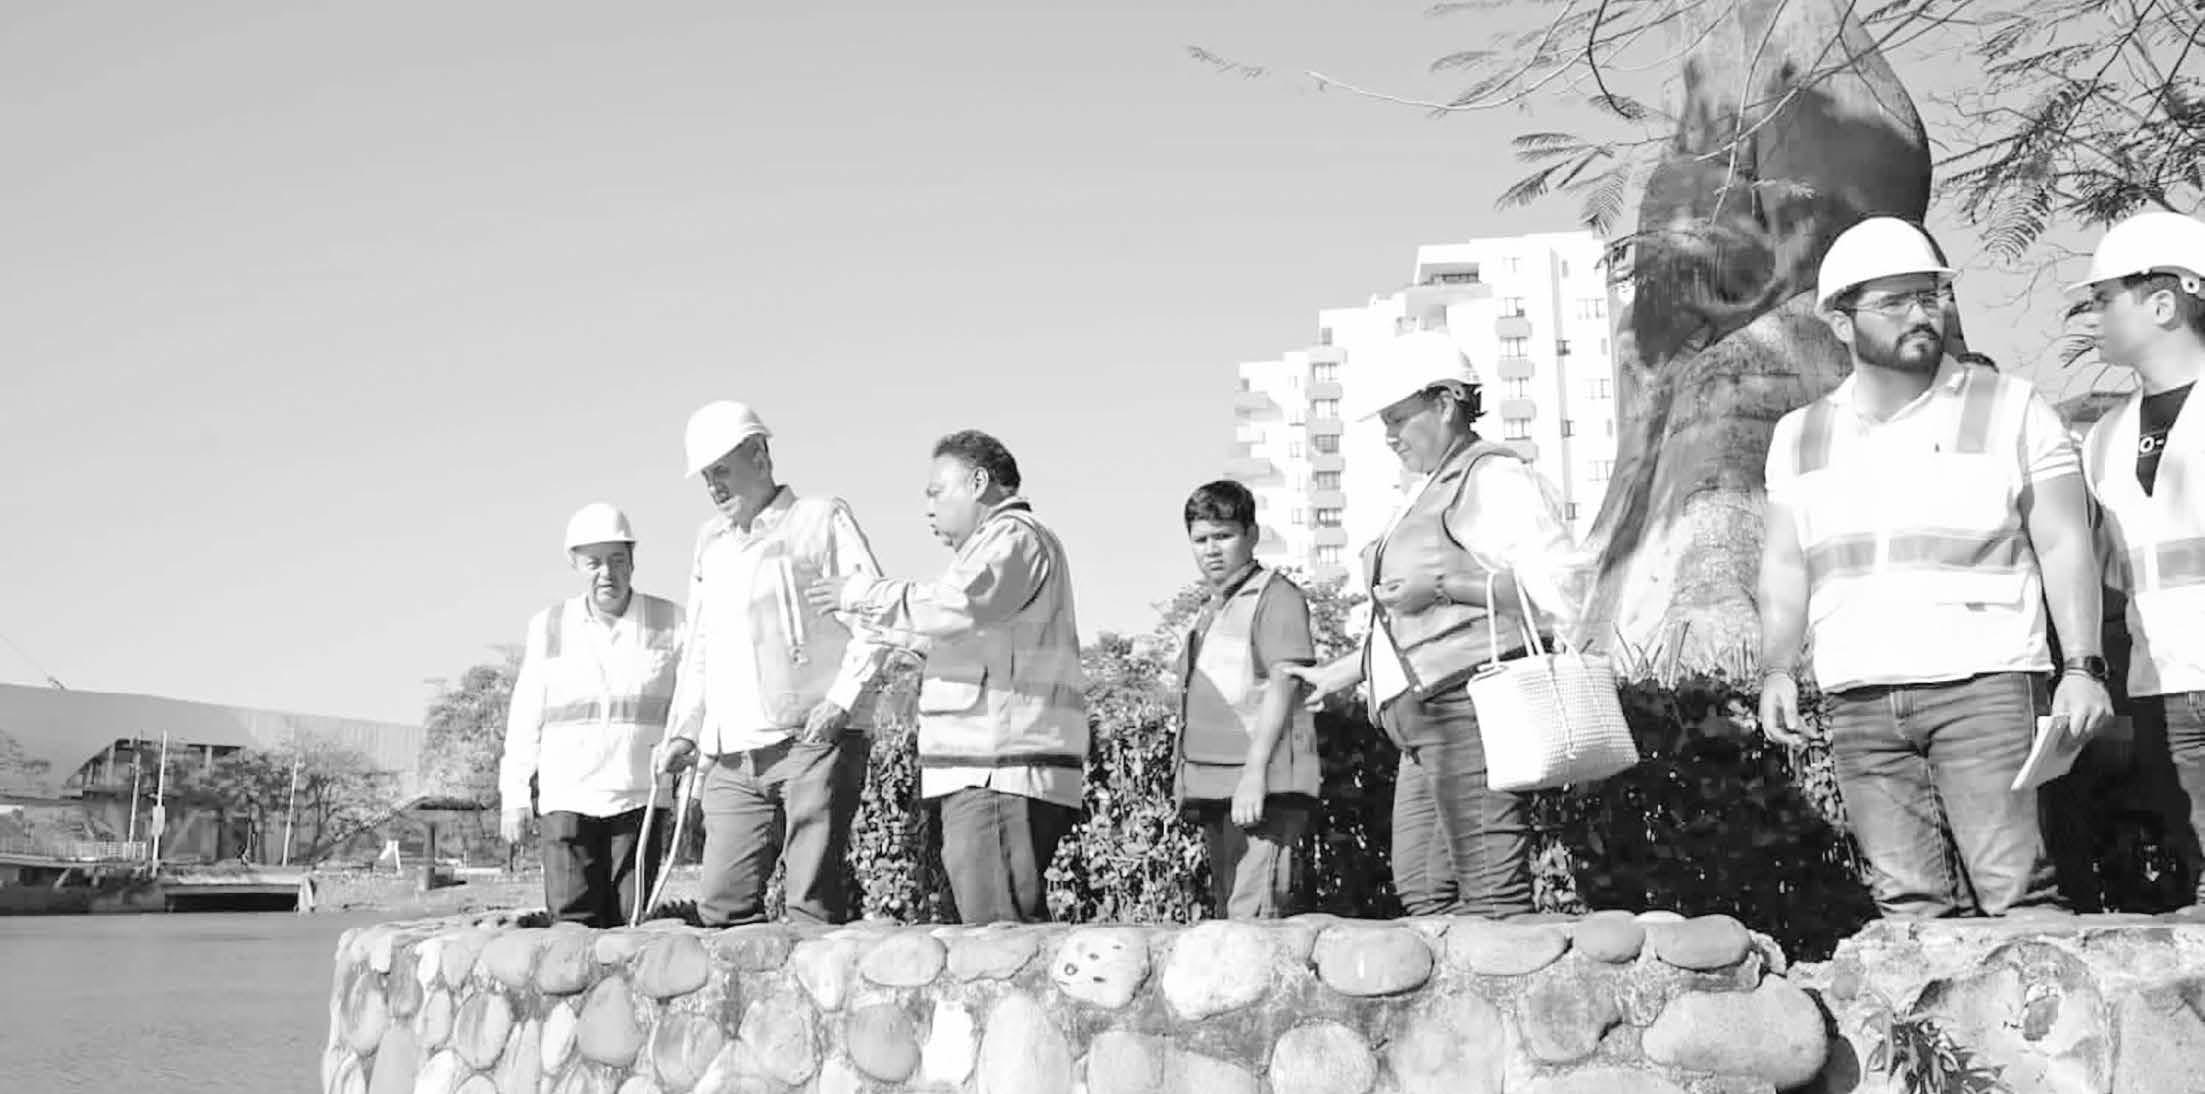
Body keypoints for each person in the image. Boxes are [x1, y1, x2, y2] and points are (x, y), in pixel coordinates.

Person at [1757, 216, 2115, 918]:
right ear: (1840, 322)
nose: (1920, 314)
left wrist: (2082, 666)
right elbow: (1785, 566)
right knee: (1907, 907)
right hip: (1858, 698)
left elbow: (2065, 544)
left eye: (1929, 296)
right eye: (1894, 302)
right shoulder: (1798, 435)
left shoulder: (2010, 406)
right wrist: (1777, 668)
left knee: (2016, 893)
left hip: (1985, 686)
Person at [1283, 329, 1581, 917]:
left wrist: (1444, 586)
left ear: (1445, 402)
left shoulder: (1491, 478)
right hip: (1424, 719)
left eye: (1398, 418)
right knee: (1424, 889)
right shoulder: (1427, 490)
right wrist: (1341, 673)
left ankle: (1504, 976)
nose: (1390, 436)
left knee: (1491, 895)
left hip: (1468, 710)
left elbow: (1559, 590)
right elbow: (1411, 622)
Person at [806, 429, 1087, 925]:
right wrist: (876, 623)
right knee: (991, 934)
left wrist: (862, 594)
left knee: (999, 941)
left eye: (936, 492)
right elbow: (948, 628)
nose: (928, 509)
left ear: (978, 483)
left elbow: (956, 605)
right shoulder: (996, 549)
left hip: (1000, 772)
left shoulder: (1014, 538)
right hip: (989, 772)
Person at [654, 401, 899, 927]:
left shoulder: (819, 520)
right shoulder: (710, 543)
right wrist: (684, 731)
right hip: (732, 754)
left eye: (722, 470)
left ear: (761, 457)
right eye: (706, 476)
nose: (713, 486)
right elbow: (700, 647)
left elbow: (877, 617)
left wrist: (840, 703)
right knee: (721, 906)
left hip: (811, 741)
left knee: (810, 904)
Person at [2073, 210, 2205, 907]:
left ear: (2162, 303)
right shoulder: (2104, 438)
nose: (2090, 315)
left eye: (2103, 298)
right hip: (2161, 691)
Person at [498, 503, 684, 927]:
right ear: (576, 564)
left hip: (640, 798)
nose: (607, 573)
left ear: (633, 560)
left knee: (631, 928)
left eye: (617, 559)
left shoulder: (673, 622)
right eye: (594, 562)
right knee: (570, 928)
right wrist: (515, 797)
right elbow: (525, 715)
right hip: (568, 800)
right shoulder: (549, 625)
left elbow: (695, 704)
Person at [1171, 479, 1320, 918]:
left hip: (1262, 792)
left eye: (1224, 536)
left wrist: (1255, 775)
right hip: (1217, 791)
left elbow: (1284, 686)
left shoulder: (1275, 597)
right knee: (1232, 924)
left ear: (1252, 535)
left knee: (1255, 925)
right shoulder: (1212, 609)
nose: (1211, 550)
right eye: (1200, 540)